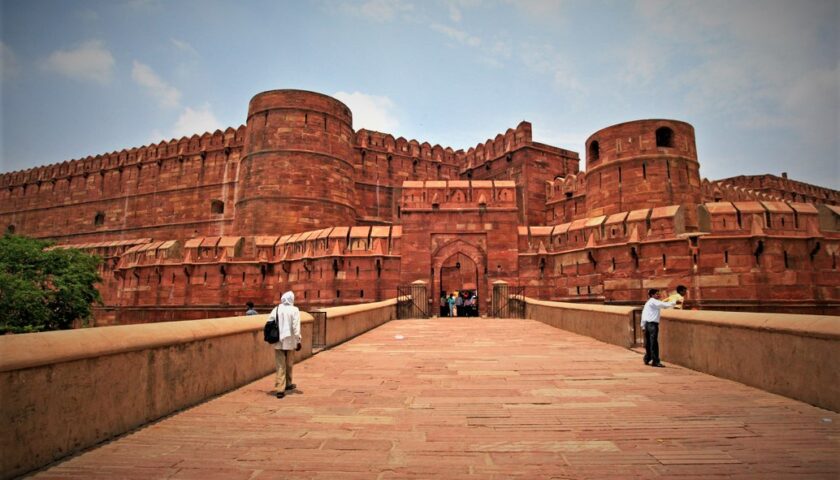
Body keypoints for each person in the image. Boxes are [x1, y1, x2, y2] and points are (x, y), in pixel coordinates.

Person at [268, 291, 301, 398]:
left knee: (280, 365)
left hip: (278, 340)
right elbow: (296, 327)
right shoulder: (294, 310)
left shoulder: (276, 309)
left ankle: (280, 389)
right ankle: (288, 384)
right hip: (290, 341)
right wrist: (298, 340)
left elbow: (270, 321)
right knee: (289, 363)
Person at [641, 288, 676, 367]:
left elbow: (643, 314)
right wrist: (674, 302)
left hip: (647, 324)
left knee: (649, 343)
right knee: (653, 343)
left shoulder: (648, 302)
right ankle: (655, 361)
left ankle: (647, 358)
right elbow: (663, 305)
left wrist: (643, 325)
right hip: (652, 325)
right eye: (657, 294)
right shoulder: (653, 301)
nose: (658, 295)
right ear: (652, 295)